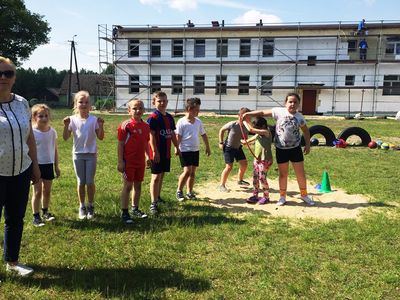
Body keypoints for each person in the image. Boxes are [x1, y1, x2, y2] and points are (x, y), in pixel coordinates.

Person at [0, 56, 40, 276]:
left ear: (14, 78)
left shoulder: (22, 103)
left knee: (15, 219)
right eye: (0, 74)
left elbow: (29, 136)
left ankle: (12, 262)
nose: (3, 78)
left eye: (8, 73)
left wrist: (34, 166)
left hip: (21, 170)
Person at [243, 92, 315, 206]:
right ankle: (282, 196)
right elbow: (262, 112)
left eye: (295, 102)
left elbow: (306, 131)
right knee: (283, 174)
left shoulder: (300, 117)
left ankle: (304, 194)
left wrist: (307, 145)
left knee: (300, 174)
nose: (292, 104)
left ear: (298, 104)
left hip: (295, 149)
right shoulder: (278, 111)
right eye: (290, 101)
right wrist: (249, 113)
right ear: (285, 103)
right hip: (281, 149)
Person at [63, 90, 104, 220]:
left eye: (86, 102)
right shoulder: (72, 120)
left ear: (90, 105)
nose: (84, 104)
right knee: (81, 181)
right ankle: (82, 206)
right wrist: (65, 126)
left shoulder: (94, 120)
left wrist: (101, 126)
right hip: (78, 154)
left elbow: (101, 137)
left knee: (90, 181)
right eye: (81, 102)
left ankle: (91, 205)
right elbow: (65, 138)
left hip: (91, 154)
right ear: (76, 104)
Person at [117, 98, 150, 224]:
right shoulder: (126, 126)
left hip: (140, 161)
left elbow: (146, 142)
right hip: (128, 161)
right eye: (135, 108)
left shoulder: (146, 126)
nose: (138, 110)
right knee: (128, 185)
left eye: (140, 108)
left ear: (144, 110)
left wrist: (148, 156)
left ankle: (135, 208)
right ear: (129, 110)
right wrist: (120, 161)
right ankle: (124, 212)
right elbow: (120, 144)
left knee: (138, 185)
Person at [147, 91, 179, 215]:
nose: (162, 103)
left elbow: (171, 133)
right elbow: (151, 135)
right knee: (155, 177)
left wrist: (177, 146)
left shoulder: (170, 117)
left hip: (166, 152)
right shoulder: (153, 118)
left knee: (162, 175)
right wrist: (155, 151)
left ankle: (158, 197)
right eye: (159, 101)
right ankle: (153, 203)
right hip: (157, 153)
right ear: (154, 102)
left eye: (164, 101)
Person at [175, 97, 211, 201]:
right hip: (185, 150)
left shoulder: (198, 122)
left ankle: (189, 192)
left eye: (199, 109)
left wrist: (208, 147)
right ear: (189, 109)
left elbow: (203, 135)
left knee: (192, 173)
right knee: (187, 171)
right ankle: (179, 191)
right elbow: (178, 136)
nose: (198, 112)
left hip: (195, 150)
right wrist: (176, 148)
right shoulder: (181, 122)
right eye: (196, 110)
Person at [31, 104, 60, 227]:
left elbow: (55, 150)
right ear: (34, 117)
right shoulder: (31, 132)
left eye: (46, 116)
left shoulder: (52, 132)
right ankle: (36, 216)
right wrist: (33, 166)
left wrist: (56, 166)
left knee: (46, 191)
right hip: (36, 165)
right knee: (37, 192)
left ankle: (45, 212)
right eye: (40, 116)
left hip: (48, 164)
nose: (44, 118)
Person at [218, 108, 253, 192]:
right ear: (241, 116)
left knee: (244, 164)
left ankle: (240, 180)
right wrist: (221, 142)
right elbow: (221, 130)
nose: (250, 118)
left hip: (238, 147)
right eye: (248, 116)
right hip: (228, 148)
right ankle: (221, 185)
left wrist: (245, 142)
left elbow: (244, 137)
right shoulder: (233, 124)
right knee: (229, 167)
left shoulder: (246, 127)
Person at [243, 117, 273, 205]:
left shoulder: (266, 132)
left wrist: (244, 120)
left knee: (262, 178)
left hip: (265, 160)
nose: (255, 130)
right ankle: (255, 195)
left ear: (263, 126)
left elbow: (251, 129)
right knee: (255, 177)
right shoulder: (259, 133)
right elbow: (253, 138)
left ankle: (266, 197)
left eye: (257, 128)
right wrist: (246, 142)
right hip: (257, 159)